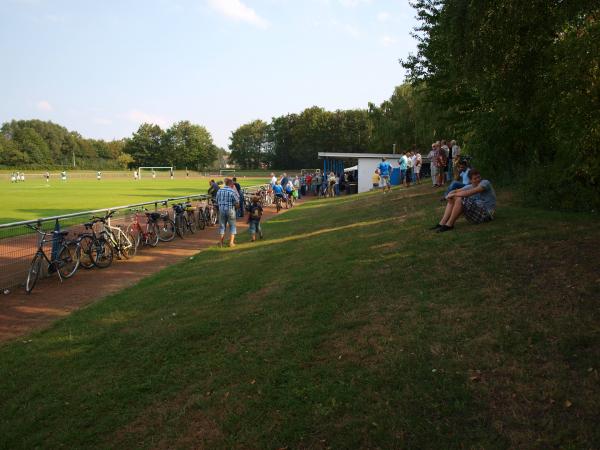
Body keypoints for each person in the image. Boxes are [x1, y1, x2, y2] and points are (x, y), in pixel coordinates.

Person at [432, 169, 496, 232]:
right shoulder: (470, 186)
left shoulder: (485, 183)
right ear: (470, 180)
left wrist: (454, 194)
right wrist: (450, 195)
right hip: (477, 214)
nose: (478, 180)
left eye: (479, 177)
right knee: (454, 197)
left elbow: (471, 192)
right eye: (475, 178)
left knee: (460, 198)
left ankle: (449, 224)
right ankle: (442, 223)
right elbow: (456, 190)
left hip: (486, 215)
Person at [216, 178, 240, 247]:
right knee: (232, 226)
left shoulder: (219, 190)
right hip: (230, 210)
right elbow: (237, 203)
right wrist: (236, 207)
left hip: (221, 210)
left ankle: (221, 243)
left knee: (222, 227)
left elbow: (217, 201)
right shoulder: (232, 191)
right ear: (231, 184)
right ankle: (231, 243)